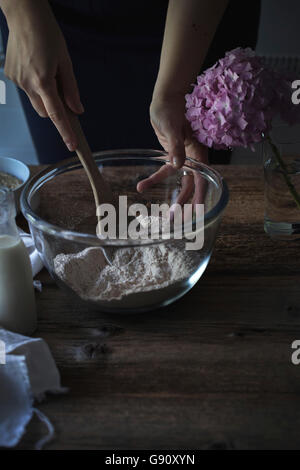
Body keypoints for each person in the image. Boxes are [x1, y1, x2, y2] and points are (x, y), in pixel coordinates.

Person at [0, 0, 261, 166]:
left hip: (193, 22)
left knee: (187, 170)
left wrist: (172, 91)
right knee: (67, 177)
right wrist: (20, 9)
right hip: (49, 20)